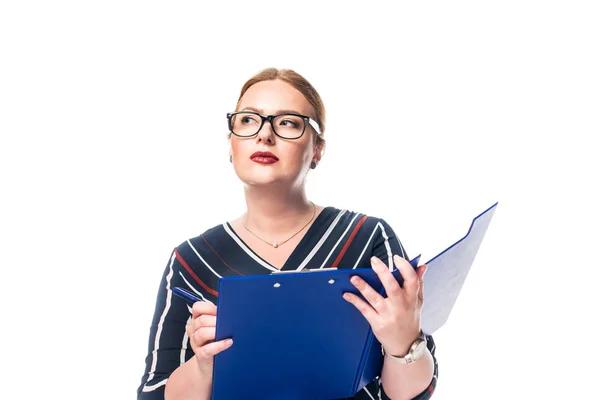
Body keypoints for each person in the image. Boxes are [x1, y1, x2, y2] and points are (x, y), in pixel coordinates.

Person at [137, 68, 438, 400]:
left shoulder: (367, 238)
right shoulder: (193, 259)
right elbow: (154, 393)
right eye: (248, 120)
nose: (265, 135)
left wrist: (403, 343)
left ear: (317, 149)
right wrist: (203, 366)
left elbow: (411, 394)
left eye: (288, 123)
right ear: (231, 143)